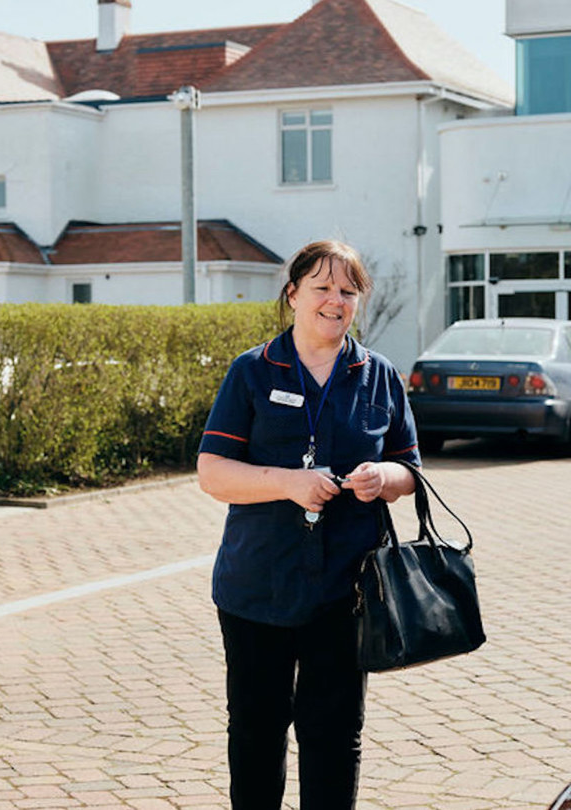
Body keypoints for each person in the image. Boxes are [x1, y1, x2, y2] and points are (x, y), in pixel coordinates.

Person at [197, 240, 420, 809]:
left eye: (348, 291)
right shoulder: (251, 371)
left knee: (334, 738)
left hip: (346, 592)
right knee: (256, 733)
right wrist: (288, 483)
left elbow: (411, 471)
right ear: (293, 294)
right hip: (256, 588)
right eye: (322, 287)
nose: (335, 300)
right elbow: (213, 473)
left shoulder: (380, 377)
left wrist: (383, 478)